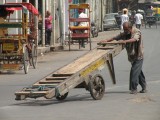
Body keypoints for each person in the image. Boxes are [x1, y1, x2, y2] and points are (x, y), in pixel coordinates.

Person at [101, 22, 147, 94]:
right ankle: (144, 87)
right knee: (138, 72)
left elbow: (134, 39)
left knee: (134, 72)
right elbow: (116, 37)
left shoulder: (137, 32)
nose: (124, 30)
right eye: (124, 29)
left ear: (130, 28)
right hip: (132, 56)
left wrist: (125, 41)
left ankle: (134, 89)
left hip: (138, 56)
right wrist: (106, 40)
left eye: (126, 29)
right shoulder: (125, 33)